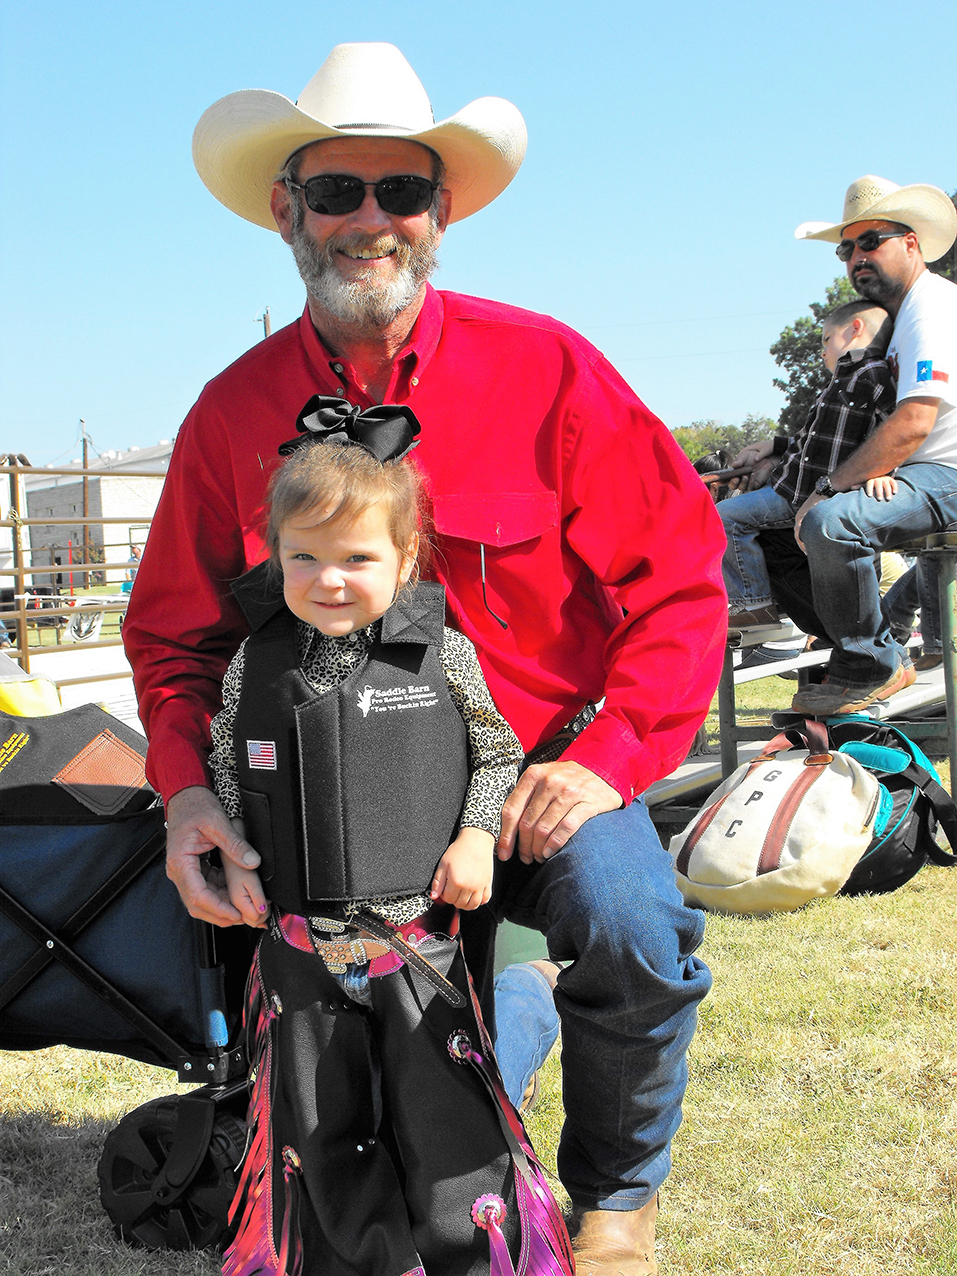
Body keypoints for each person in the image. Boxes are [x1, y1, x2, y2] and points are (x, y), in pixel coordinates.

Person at [122, 43, 727, 1274]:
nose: (369, 220)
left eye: (400, 191)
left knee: (630, 922)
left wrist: (610, 760)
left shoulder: (551, 367)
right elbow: (176, 639)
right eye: (335, 191)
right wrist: (187, 794)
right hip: (336, 811)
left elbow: (680, 583)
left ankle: (616, 1198)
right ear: (286, 208)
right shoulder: (228, 412)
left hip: (542, 772)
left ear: (440, 210)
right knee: (428, 1052)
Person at [210, 424, 571, 1275]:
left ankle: (472, 1252)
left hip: (416, 951)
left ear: (406, 559)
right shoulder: (250, 663)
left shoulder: (442, 654)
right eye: (302, 559)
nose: (327, 580)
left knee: (441, 1115)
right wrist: (231, 853)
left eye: (357, 559)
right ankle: (353, 1257)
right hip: (296, 952)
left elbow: (494, 750)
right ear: (275, 557)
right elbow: (229, 760)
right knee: (318, 1121)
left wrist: (478, 834)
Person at [754, 175, 957, 715]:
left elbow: (915, 422)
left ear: (910, 243)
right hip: (917, 468)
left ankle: (871, 665)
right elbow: (865, 419)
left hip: (947, 471)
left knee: (829, 521)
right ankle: (865, 649)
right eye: (847, 248)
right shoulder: (899, 319)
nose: (855, 258)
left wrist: (828, 487)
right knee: (775, 531)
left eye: (871, 242)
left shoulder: (931, 309)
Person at [722, 299, 897, 632]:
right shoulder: (835, 383)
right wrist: (774, 445)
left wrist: (885, 472)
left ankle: (753, 602)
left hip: (804, 495)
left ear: (854, 329)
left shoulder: (873, 375)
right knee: (730, 515)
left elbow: (893, 429)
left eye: (826, 339)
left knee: (725, 518)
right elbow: (811, 442)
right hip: (792, 487)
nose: (822, 350)